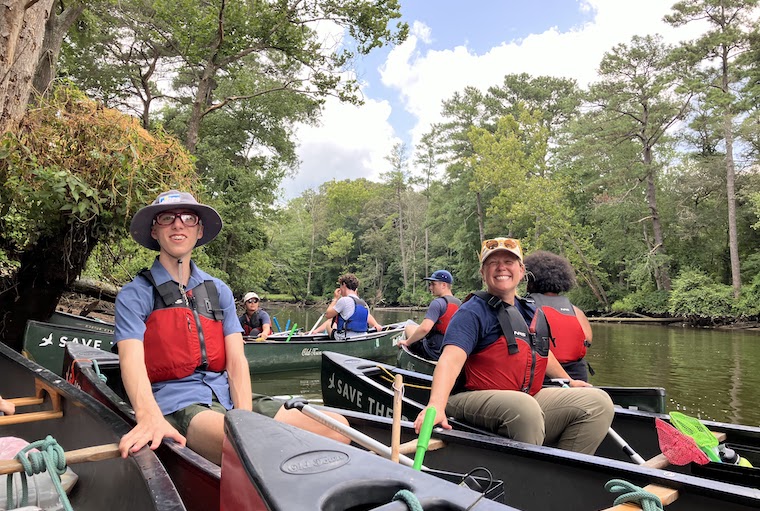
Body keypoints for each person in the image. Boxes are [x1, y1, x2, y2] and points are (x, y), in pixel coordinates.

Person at [115, 190, 349, 465]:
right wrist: (148, 417)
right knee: (246, 445)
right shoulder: (135, 294)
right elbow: (130, 360)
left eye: (188, 218)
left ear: (199, 230)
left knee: (337, 428)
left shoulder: (219, 290)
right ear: (155, 230)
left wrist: (245, 416)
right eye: (167, 218)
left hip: (224, 395)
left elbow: (236, 361)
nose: (178, 225)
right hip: (178, 403)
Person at [413, 237, 613, 455]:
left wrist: (569, 381)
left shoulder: (529, 310)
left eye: (509, 262)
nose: (501, 267)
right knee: (524, 408)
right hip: (470, 398)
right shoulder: (472, 312)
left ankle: (562, 474)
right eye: (493, 262)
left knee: (598, 402)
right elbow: (450, 360)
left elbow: (542, 354)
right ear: (483, 272)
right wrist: (435, 406)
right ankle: (527, 478)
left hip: (523, 397)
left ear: (521, 270)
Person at [524, 250, 593, 382]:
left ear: (530, 282)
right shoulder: (577, 312)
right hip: (578, 377)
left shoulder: (524, 308)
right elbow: (587, 342)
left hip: (540, 379)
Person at [398, 270, 461, 360]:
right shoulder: (460, 303)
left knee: (408, 327)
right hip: (451, 350)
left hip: (434, 351)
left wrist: (407, 342)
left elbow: (425, 328)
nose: (430, 287)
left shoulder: (437, 303)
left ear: (443, 285)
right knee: (416, 328)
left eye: (433, 284)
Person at [324, 273, 381, 338]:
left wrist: (335, 299)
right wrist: (376, 324)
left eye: (340, 286)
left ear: (344, 285)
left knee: (329, 324)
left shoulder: (343, 300)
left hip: (345, 337)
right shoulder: (363, 303)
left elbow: (328, 315)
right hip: (363, 336)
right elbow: (368, 316)